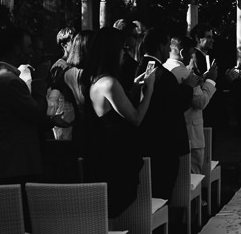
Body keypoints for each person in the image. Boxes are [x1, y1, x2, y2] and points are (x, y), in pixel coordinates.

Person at [82, 26, 156, 217]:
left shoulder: (94, 79)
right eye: (122, 47)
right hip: (115, 159)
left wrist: (133, 88)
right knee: (113, 213)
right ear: (112, 50)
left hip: (101, 154)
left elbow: (113, 109)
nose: (125, 52)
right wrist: (150, 89)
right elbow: (136, 118)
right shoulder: (110, 83)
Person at [0, 26, 69, 183]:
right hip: (17, 163)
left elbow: (20, 115)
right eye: (29, 46)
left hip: (4, 161)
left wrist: (50, 121)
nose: (31, 52)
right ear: (17, 48)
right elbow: (36, 112)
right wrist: (39, 80)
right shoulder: (10, 81)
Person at [136, 29, 196, 200]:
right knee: (163, 192)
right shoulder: (162, 74)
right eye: (168, 45)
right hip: (165, 143)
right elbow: (177, 105)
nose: (169, 50)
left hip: (147, 138)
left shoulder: (144, 66)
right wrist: (188, 87)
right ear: (161, 46)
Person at [163, 33, 218, 174]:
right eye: (191, 54)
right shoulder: (184, 73)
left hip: (171, 131)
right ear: (182, 53)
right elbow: (200, 101)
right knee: (193, 175)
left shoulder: (164, 68)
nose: (192, 58)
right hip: (191, 133)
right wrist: (211, 80)